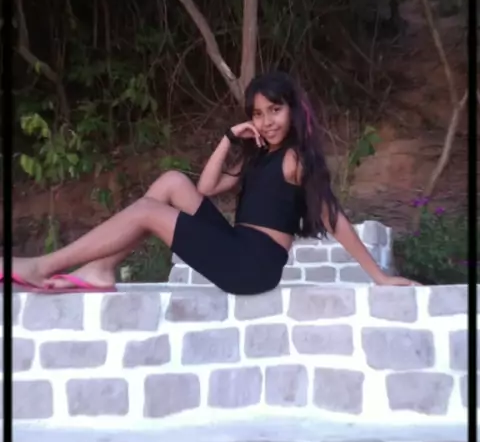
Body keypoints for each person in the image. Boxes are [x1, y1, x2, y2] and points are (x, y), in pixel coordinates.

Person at [8, 71, 415, 293]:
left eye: (275, 110)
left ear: (292, 111)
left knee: (148, 211)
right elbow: (203, 188)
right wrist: (228, 137)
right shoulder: (259, 156)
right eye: (257, 114)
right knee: (171, 181)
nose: (266, 121)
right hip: (237, 247)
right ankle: (102, 268)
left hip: (253, 266)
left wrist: (378, 275)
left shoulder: (295, 159)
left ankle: (45, 265)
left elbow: (334, 217)